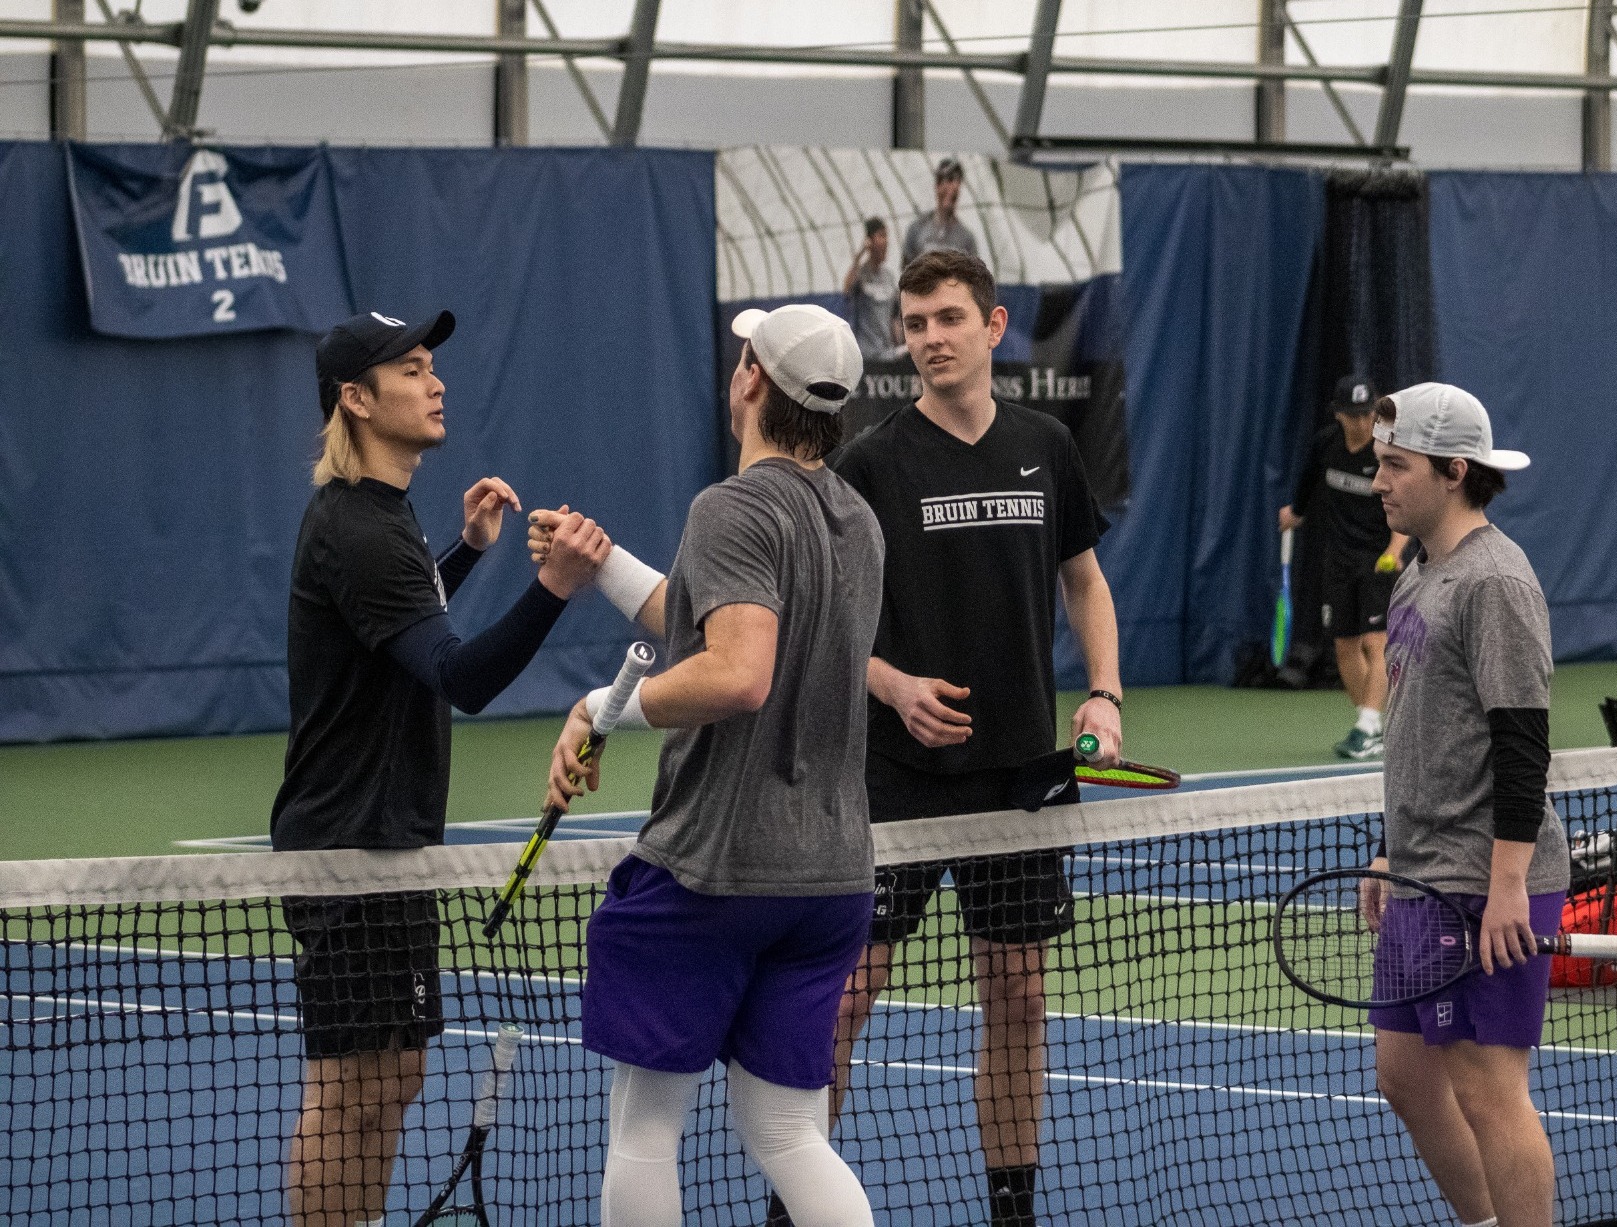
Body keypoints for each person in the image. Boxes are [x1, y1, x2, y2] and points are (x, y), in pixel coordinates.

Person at [789, 249, 1123, 1227]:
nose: (928, 336)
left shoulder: (1045, 444)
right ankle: (793, 1202)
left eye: (945, 318)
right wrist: (890, 685)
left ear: (992, 325)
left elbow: (1085, 581)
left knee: (1017, 998)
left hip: (1023, 774)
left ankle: (1010, 1208)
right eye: (914, 321)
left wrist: (1101, 694)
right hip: (892, 775)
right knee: (845, 997)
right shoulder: (868, 464)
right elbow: (812, 619)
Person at [540, 304, 884, 1227]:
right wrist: (605, 561)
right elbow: (713, 618)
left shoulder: (729, 507)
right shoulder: (856, 520)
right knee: (786, 1132)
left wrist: (596, 710)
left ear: (750, 383)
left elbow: (737, 671)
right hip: (829, 880)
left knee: (646, 1126)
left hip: (714, 871)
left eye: (743, 358)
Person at [272, 309, 609, 1227]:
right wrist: (554, 589)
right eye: (412, 368)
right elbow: (461, 677)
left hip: (395, 844)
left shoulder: (383, 520)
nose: (436, 381)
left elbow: (395, 630)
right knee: (349, 1089)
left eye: (433, 365)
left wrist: (461, 554)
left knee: (396, 1073)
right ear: (356, 398)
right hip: (347, 849)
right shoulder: (357, 525)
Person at [1358, 382, 1570, 1227]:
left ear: (1452, 471)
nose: (1377, 480)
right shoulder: (1415, 571)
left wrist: (1507, 882)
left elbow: (1521, 746)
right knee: (1404, 1076)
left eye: (1393, 464)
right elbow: (1419, 729)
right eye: (1377, 462)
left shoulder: (1495, 582)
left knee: (1488, 1091)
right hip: (1420, 870)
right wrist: (1388, 848)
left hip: (1485, 879)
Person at [1279, 373, 1409, 760]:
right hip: (1336, 559)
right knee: (1344, 647)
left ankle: (1367, 725)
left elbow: (1406, 507)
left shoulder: (1386, 453)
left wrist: (1396, 548)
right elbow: (1306, 484)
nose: (1360, 421)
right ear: (1338, 415)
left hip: (1378, 560)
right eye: (1352, 414)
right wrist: (1295, 514)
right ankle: (1369, 725)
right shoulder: (1326, 445)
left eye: (1366, 413)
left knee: (1376, 643)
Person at [900, 157, 980, 268]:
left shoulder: (966, 238)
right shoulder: (917, 229)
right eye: (949, 180)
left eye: (957, 182)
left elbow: (973, 278)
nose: (953, 187)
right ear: (938, 185)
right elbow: (905, 271)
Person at [843, 216, 900, 361]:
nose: (886, 241)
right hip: (866, 356)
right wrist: (860, 253)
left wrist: (898, 344)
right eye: (881, 236)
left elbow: (894, 316)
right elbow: (846, 289)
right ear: (870, 241)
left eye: (886, 236)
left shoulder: (889, 276)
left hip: (887, 354)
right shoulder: (861, 274)